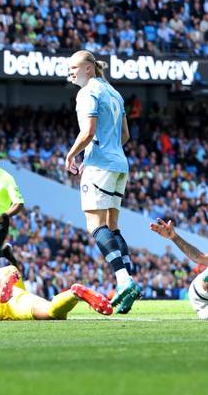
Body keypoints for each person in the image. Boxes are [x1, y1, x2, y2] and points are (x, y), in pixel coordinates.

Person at [65, 50, 140, 313]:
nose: (70, 72)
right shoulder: (114, 92)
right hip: (119, 164)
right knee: (112, 225)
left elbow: (88, 132)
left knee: (95, 225)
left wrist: (72, 154)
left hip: (100, 166)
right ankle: (127, 283)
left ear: (88, 69)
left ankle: (124, 280)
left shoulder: (87, 93)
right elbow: (126, 134)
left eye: (74, 67)